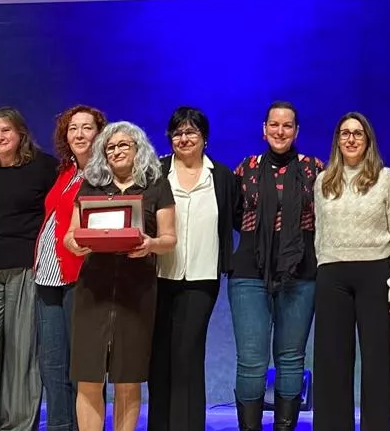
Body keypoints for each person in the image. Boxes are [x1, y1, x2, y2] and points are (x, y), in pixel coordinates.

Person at [63, 121, 178, 431]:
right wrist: (75, 244)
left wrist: (150, 244)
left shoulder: (156, 185)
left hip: (137, 290)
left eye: (123, 145)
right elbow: (71, 234)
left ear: (138, 149)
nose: (116, 151)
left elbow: (169, 239)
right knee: (88, 375)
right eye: (110, 147)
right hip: (93, 289)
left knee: (128, 377)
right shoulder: (93, 185)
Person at [312, 113, 390, 431]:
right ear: (337, 140)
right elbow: (319, 233)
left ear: (368, 140)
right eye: (345, 133)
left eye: (358, 133)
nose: (351, 139)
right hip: (332, 276)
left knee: (376, 364)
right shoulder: (323, 181)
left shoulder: (386, 179)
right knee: (332, 362)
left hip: (376, 275)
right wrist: (323, 267)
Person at [229, 102, 324, 431]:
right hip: (249, 273)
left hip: (301, 272)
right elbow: (233, 214)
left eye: (287, 126)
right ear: (264, 129)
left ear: (296, 131)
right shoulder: (246, 168)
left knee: (291, 358)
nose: (280, 131)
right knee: (251, 361)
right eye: (274, 124)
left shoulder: (314, 169)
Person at [0, 107, 59, 431]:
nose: (0, 137)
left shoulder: (44, 167)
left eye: (6, 130)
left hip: (26, 270)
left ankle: (17, 426)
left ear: (20, 133)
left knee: (22, 355)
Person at [150, 108, 238, 431]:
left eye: (191, 132)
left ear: (205, 138)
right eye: (177, 133)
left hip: (202, 279)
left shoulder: (222, 177)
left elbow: (238, 217)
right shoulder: (157, 172)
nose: (184, 138)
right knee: (160, 355)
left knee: (188, 354)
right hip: (159, 277)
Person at [35, 106, 106, 431]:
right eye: (72, 128)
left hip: (82, 277)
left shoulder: (103, 175)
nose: (79, 134)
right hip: (48, 277)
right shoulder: (66, 172)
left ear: (99, 133)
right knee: (52, 363)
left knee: (83, 365)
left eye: (86, 127)